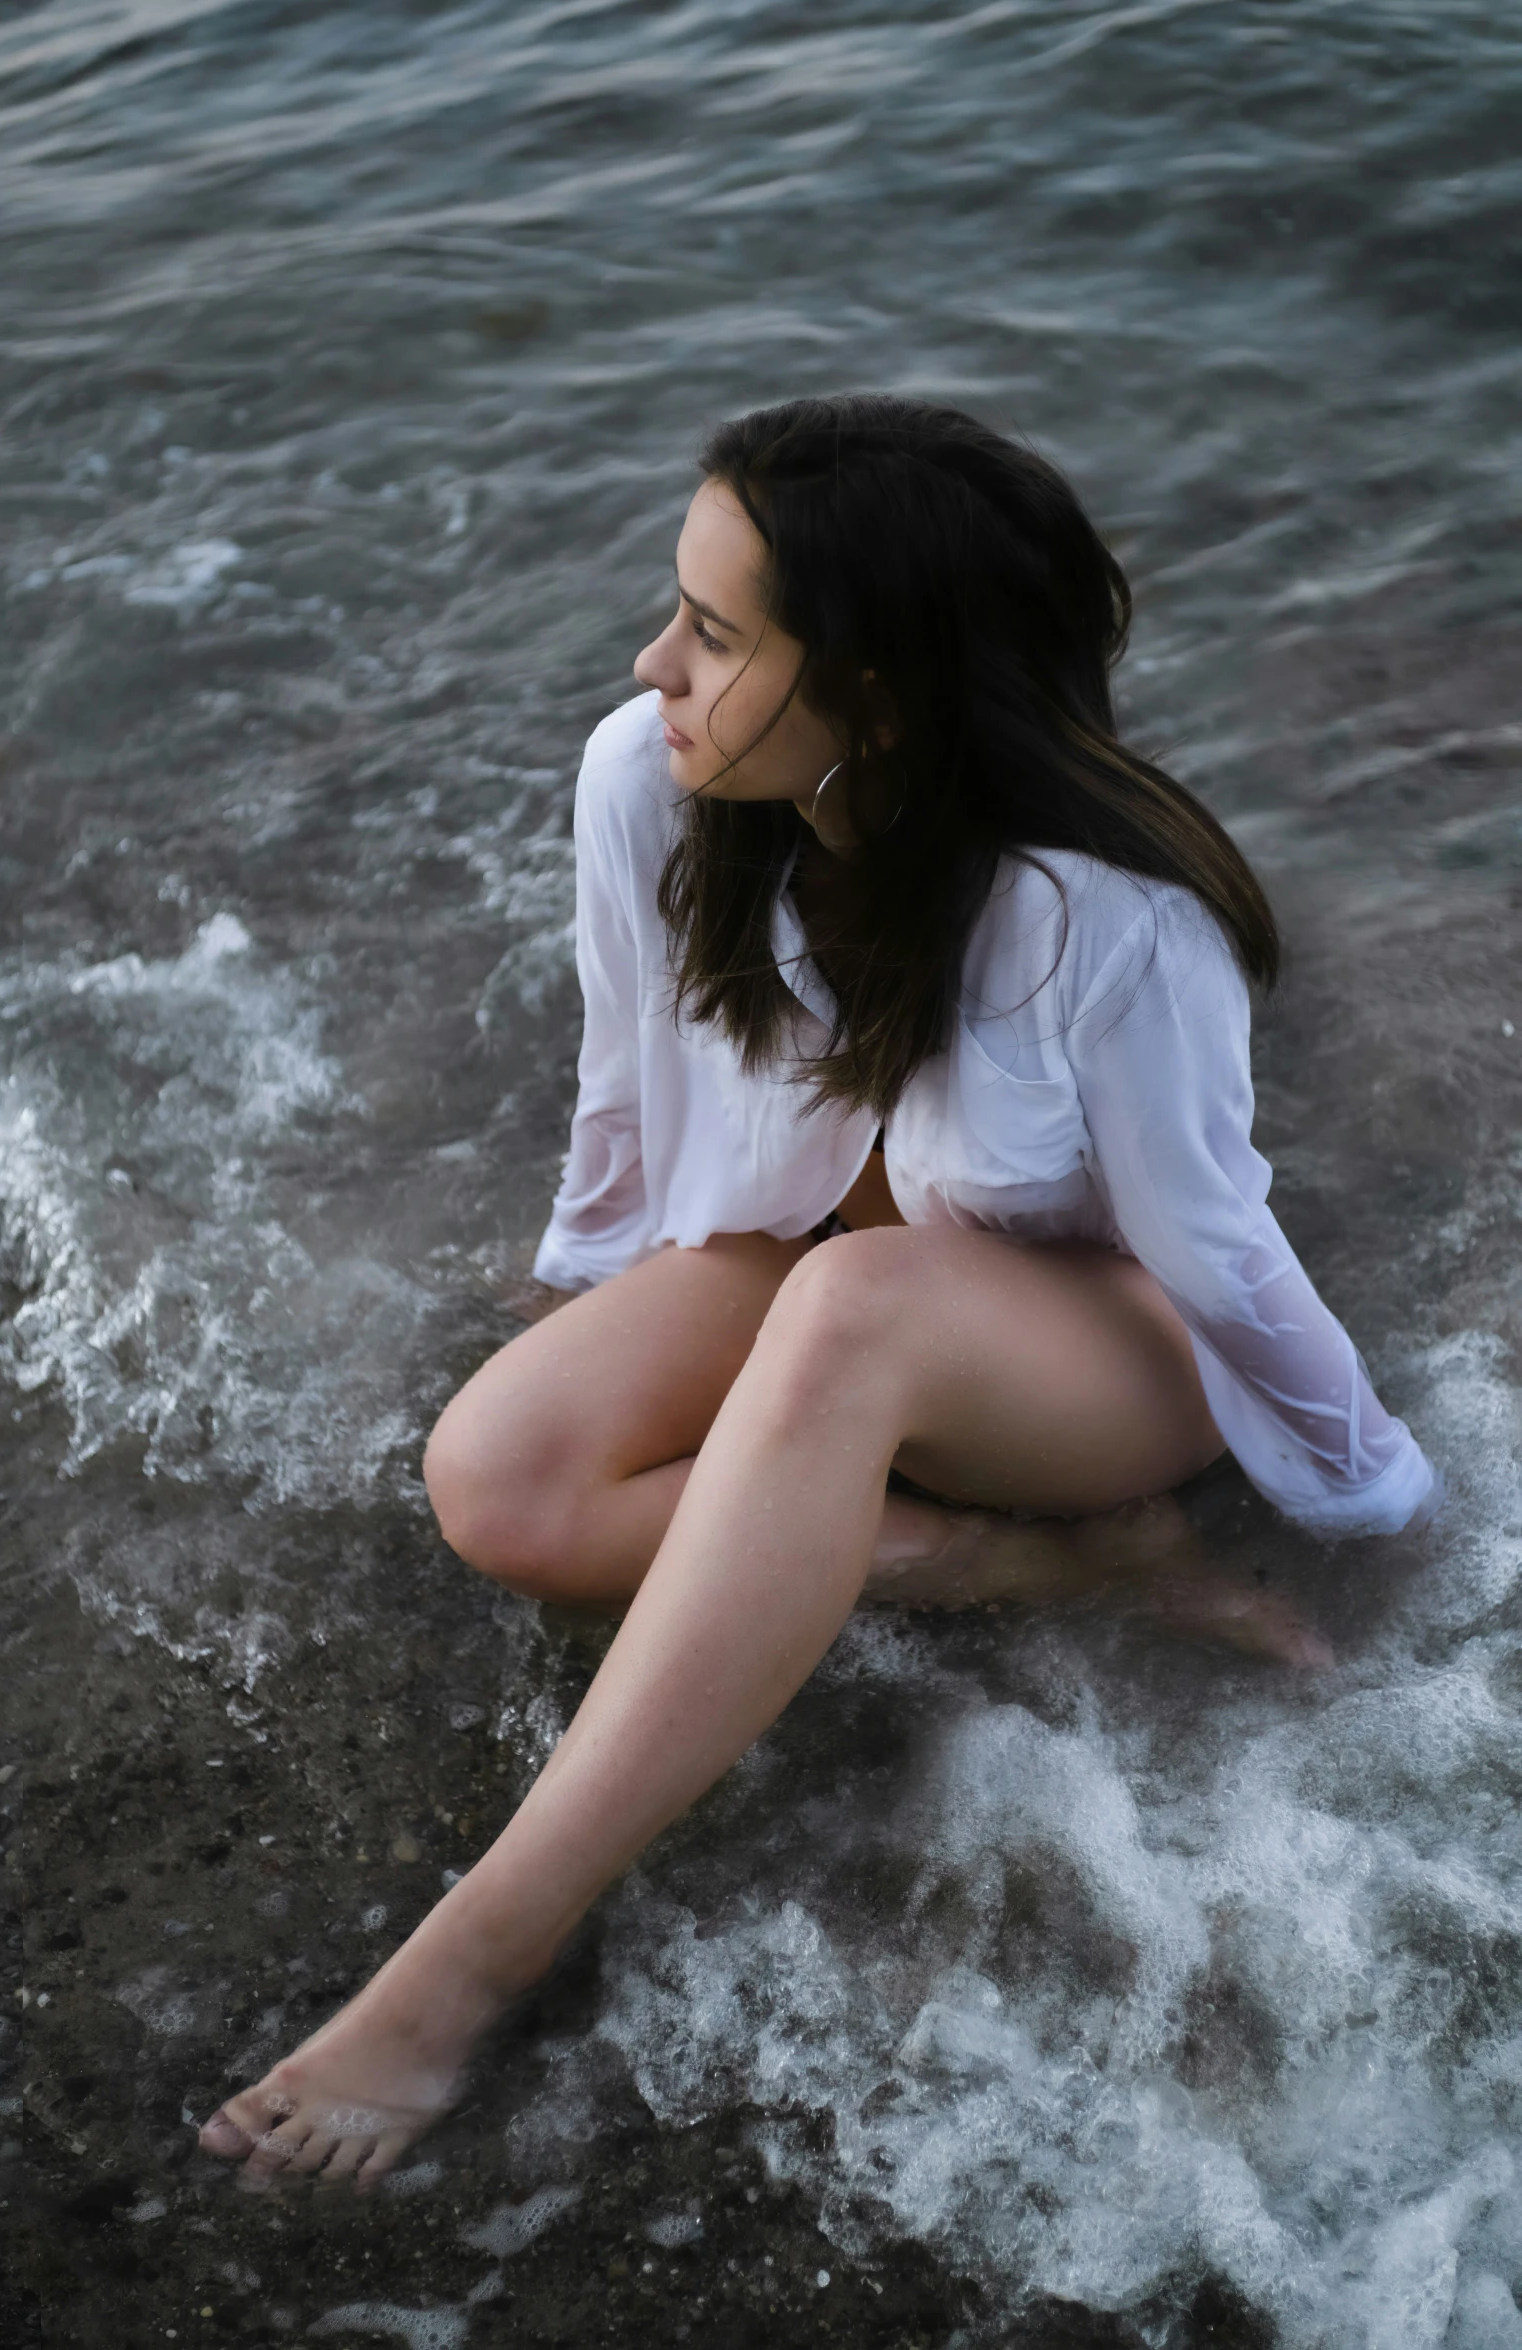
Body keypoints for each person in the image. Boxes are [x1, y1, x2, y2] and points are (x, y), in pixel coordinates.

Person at [200, 395, 1436, 2190]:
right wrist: (594, 1297)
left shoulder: (1112, 924)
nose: (655, 662)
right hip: (819, 1259)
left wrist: (1379, 1493)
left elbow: (1220, 1249)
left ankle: (472, 1957)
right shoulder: (649, 777)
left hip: (1091, 1336)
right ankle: (1043, 1565)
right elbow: (624, 1090)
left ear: (878, 690)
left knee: (854, 1314)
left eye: (714, 634)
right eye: (675, 609)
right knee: (505, 1476)